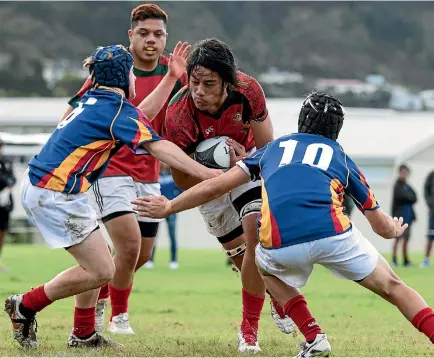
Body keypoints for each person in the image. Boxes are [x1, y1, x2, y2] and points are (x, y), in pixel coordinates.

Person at [133, 92, 434, 357]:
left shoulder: (271, 150)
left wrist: (170, 205)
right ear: (336, 132)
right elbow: (379, 225)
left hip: (280, 244)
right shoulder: (340, 156)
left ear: (301, 121)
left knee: (261, 267)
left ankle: (314, 336)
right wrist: (393, 229)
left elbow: (216, 186)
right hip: (333, 235)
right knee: (393, 287)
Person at [5, 44, 220, 349]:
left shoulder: (93, 100)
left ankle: (83, 333)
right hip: (55, 192)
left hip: (49, 186)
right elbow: (157, 145)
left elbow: (141, 116)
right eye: (131, 71)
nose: (134, 76)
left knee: (101, 258)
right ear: (123, 76)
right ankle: (25, 305)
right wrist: (207, 173)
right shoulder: (114, 109)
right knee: (103, 270)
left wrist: (171, 78)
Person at [160, 38, 294, 353]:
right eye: (194, 82)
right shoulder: (179, 115)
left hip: (245, 169)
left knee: (255, 237)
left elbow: (267, 152)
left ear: (227, 83)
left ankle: (248, 331)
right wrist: (209, 167)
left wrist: (242, 157)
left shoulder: (249, 91)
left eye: (209, 84)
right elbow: (181, 180)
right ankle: (274, 294)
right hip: (202, 181)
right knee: (240, 257)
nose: (199, 91)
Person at [63, 4, 189, 334]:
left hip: (149, 173)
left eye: (158, 34)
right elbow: (72, 115)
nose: (151, 40)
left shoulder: (176, 71)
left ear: (166, 37)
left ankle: (103, 291)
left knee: (141, 254)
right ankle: (118, 317)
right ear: (131, 35)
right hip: (112, 169)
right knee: (129, 247)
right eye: (144, 33)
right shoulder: (113, 70)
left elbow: (187, 116)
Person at [144, 162, 182, 269]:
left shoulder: (173, 175)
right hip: (157, 209)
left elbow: (180, 190)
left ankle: (174, 260)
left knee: (172, 235)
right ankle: (150, 260)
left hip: (171, 209)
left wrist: (175, 201)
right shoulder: (155, 174)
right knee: (153, 236)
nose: (163, 164)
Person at [391, 164, 417, 267]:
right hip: (399, 217)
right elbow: (401, 197)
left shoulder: (408, 186)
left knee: (406, 239)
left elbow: (415, 198)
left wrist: (408, 197)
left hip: (409, 217)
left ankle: (406, 261)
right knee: (397, 239)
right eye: (403, 172)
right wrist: (408, 197)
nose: (404, 174)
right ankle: (394, 260)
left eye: (406, 173)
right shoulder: (397, 186)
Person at [0, 139, 16, 271]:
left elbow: (12, 178)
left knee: (2, 231)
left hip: (4, 203)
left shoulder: (6, 161)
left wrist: (7, 182)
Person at [421, 170, 434, 267]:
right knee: (430, 236)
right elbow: (426, 191)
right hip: (433, 212)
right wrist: (431, 204)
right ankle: (426, 260)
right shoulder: (431, 176)